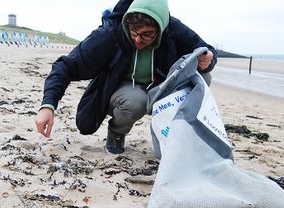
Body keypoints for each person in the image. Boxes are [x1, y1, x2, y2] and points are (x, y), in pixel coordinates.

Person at [35, 0, 216, 155]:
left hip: (162, 89)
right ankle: (117, 132)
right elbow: (65, 66)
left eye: (147, 34)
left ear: (161, 28)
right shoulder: (110, 33)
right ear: (126, 23)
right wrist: (48, 106)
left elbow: (205, 50)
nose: (138, 40)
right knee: (135, 101)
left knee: (204, 77)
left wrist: (208, 59)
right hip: (126, 91)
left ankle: (177, 136)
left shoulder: (173, 29)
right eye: (134, 31)